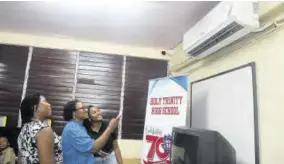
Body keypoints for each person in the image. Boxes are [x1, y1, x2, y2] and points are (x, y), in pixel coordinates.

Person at [61, 100, 120, 164]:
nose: (86, 110)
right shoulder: (73, 128)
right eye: (82, 108)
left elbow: (84, 147)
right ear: (73, 113)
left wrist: (98, 151)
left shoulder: (80, 127)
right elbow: (93, 148)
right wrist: (110, 127)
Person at [17, 93, 62, 164]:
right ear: (34, 108)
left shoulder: (25, 128)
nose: (49, 104)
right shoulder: (43, 130)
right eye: (45, 101)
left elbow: (21, 159)